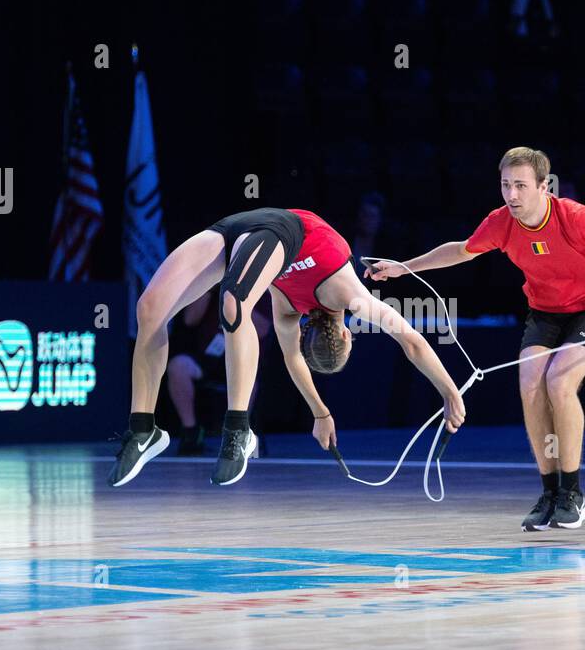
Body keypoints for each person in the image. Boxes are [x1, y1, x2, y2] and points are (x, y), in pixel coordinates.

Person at [366, 147, 585, 531]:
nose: (512, 195)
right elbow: (461, 251)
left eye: (520, 186)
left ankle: (573, 494)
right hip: (547, 311)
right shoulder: (500, 223)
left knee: (559, 380)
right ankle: (549, 492)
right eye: (505, 186)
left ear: (544, 186)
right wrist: (404, 268)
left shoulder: (578, 219)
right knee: (531, 381)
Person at [111, 206, 465, 488]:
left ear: (346, 336)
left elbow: (409, 340)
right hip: (279, 230)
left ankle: (149, 427)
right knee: (231, 303)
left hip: (239, 231)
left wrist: (321, 413)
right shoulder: (346, 296)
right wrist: (449, 392)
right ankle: (218, 430)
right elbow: (406, 343)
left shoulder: (290, 310)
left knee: (150, 309)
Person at [165, 290, 272, 455]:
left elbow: (263, 328)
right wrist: (210, 291)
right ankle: (191, 432)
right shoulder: (210, 285)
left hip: (241, 358)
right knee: (178, 367)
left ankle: (237, 434)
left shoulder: (258, 287)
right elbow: (190, 320)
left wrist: (233, 301)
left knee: (248, 379)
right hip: (209, 358)